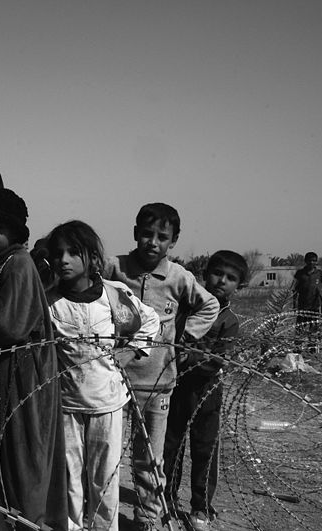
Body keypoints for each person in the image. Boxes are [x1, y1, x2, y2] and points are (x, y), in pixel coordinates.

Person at [102, 202, 219, 531]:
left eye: (162, 237)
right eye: (147, 234)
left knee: (149, 458)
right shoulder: (116, 267)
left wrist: (187, 336)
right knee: (106, 454)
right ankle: (99, 515)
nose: (152, 242)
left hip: (157, 383)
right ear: (135, 233)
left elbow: (208, 304)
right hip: (114, 378)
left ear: (173, 241)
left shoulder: (178, 276)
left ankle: (147, 518)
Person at [0, 188, 67, 531]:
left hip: (24, 377)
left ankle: (25, 522)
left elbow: (10, 326)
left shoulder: (18, 263)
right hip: (9, 371)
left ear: (15, 233)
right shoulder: (0, 262)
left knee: (23, 456)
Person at [45, 220, 159, 531]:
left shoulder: (113, 296)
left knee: (105, 481)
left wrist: (132, 350)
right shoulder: (51, 302)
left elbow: (150, 322)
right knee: (70, 480)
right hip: (67, 406)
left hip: (107, 403)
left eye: (73, 253)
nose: (64, 260)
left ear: (93, 258)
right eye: (58, 254)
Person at [163, 250, 248, 531]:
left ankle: (200, 507)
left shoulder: (229, 320)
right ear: (204, 275)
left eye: (230, 278)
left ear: (239, 284)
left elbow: (217, 361)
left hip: (207, 392)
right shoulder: (187, 307)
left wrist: (189, 356)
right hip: (177, 387)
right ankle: (167, 499)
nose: (221, 281)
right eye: (217, 273)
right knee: (171, 444)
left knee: (204, 449)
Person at [292, 252, 322, 351]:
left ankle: (312, 347)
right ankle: (297, 347)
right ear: (305, 261)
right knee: (300, 326)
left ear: (316, 262)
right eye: (309, 260)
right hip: (302, 304)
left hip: (316, 304)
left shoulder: (320, 273)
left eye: (314, 261)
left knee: (314, 326)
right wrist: (294, 304)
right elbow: (294, 289)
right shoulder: (299, 273)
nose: (312, 262)